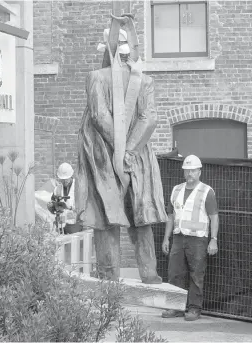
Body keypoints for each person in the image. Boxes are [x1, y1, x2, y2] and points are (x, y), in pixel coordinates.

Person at [76, 14, 168, 283]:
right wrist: (130, 151)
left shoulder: (96, 77)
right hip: (136, 157)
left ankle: (109, 276)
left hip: (107, 157)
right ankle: (149, 274)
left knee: (107, 219)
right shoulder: (145, 81)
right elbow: (148, 119)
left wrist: (120, 152)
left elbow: (98, 116)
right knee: (141, 218)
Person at [162, 155, 219, 321]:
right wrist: (166, 238)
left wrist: (213, 239)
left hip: (198, 240)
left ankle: (194, 309)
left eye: (193, 170)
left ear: (199, 172)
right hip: (178, 238)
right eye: (187, 170)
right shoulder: (176, 190)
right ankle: (175, 307)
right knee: (174, 274)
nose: (189, 174)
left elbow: (214, 216)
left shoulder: (207, 191)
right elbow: (170, 216)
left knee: (196, 275)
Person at [47, 162, 81, 235]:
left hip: (75, 225)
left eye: (66, 178)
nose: (64, 181)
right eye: (62, 179)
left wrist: (70, 207)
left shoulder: (78, 188)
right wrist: (51, 207)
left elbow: (83, 207)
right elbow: (53, 206)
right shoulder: (57, 189)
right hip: (61, 225)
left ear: (71, 175)